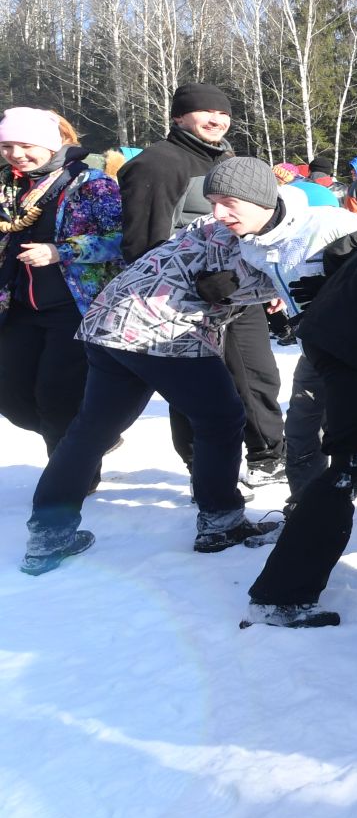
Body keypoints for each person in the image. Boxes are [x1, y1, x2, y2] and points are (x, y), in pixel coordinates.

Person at [21, 157, 295, 573]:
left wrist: (267, 287)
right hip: (158, 333)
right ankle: (220, 522)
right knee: (221, 419)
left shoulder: (227, 231)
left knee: (92, 428)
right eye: (213, 202)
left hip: (109, 323)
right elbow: (229, 282)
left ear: (263, 198)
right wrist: (274, 287)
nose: (219, 213)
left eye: (229, 202)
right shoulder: (228, 236)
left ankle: (49, 531)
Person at [116, 83, 286, 487]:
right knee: (196, 386)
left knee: (256, 374)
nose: (217, 119)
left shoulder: (228, 158)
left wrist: (270, 280)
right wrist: (187, 289)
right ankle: (203, 468)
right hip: (184, 301)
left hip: (237, 290)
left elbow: (256, 228)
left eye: (223, 113)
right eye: (205, 112)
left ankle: (268, 456)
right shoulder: (158, 163)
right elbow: (144, 244)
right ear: (178, 117)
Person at [0, 108, 124, 462]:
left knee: (57, 398)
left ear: (50, 143)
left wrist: (61, 250)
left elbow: (118, 238)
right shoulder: (8, 183)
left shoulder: (90, 182)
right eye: (7, 145)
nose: (16, 154)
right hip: (18, 305)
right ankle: (88, 434)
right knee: (12, 397)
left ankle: (70, 476)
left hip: (71, 307)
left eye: (25, 145)